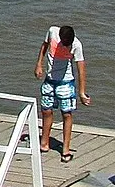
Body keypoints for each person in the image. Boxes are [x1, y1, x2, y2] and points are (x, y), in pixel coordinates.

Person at [34, 24, 89, 161]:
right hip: (50, 79)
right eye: (64, 43)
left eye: (67, 44)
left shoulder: (77, 45)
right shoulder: (52, 31)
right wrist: (39, 64)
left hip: (66, 82)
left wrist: (82, 93)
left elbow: (81, 68)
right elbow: (44, 46)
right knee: (46, 111)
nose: (65, 46)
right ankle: (44, 143)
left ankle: (65, 149)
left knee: (66, 114)